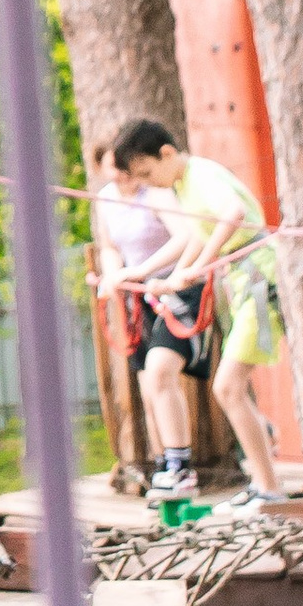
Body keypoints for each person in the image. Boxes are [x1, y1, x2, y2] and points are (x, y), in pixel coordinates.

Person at [108, 120, 286, 504]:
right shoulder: (182, 186)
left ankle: (269, 488)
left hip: (258, 278)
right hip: (240, 284)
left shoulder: (200, 175)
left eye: (147, 172)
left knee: (229, 387)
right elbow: (194, 237)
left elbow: (233, 212)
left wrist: (200, 265)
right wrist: (161, 277)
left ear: (167, 154)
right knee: (232, 389)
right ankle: (265, 485)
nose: (148, 182)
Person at [91, 135, 211, 496]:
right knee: (148, 384)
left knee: (161, 371)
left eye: (125, 172)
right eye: (113, 174)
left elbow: (186, 237)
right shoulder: (105, 200)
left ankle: (180, 466)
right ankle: (164, 465)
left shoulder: (156, 193)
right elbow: (109, 247)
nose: (122, 180)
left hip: (178, 288)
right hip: (140, 296)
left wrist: (142, 271)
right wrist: (114, 277)